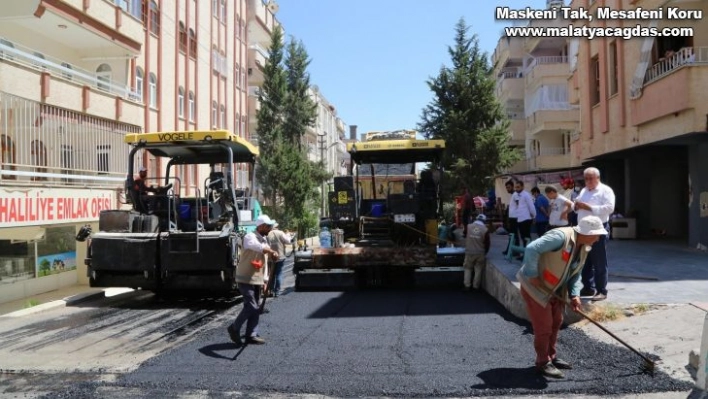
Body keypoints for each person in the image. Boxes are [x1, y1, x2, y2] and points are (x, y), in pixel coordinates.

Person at [517, 216, 608, 379]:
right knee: (544, 326)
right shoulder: (560, 237)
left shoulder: (584, 246)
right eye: (596, 235)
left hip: (556, 290)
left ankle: (551, 356)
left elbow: (576, 273)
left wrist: (574, 294)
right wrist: (532, 273)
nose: (598, 239)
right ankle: (542, 362)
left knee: (556, 321)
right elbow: (531, 248)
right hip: (536, 287)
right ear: (587, 233)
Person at [227, 214, 279, 346]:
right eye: (268, 226)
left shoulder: (264, 240)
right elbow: (257, 247)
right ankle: (234, 328)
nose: (270, 228)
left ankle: (252, 334)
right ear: (261, 226)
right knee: (251, 306)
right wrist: (271, 251)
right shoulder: (250, 237)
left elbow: (265, 261)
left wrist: (266, 279)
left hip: (257, 279)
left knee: (256, 308)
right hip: (245, 278)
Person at [573, 167, 615, 302]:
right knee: (585, 260)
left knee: (599, 261)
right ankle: (587, 287)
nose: (588, 181)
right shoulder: (584, 190)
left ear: (598, 178)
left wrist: (589, 207)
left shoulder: (605, 191)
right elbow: (578, 206)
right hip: (583, 230)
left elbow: (609, 208)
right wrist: (576, 206)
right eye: (586, 179)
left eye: (591, 178)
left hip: (598, 230)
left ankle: (601, 290)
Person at [463, 214, 490, 291]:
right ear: (484, 221)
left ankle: (467, 286)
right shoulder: (485, 230)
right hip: (480, 253)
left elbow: (464, 234)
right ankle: (476, 286)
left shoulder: (468, 226)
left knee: (468, 268)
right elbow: (487, 243)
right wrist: (485, 252)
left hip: (469, 252)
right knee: (478, 269)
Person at [267, 224, 293, 297]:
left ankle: (271, 291)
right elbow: (288, 241)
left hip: (270, 258)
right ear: (277, 227)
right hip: (280, 257)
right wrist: (288, 235)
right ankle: (277, 292)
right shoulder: (280, 233)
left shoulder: (268, 234)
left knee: (271, 275)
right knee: (279, 274)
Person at [512, 180, 536, 260]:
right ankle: (525, 254)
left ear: (522, 187)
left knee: (527, 237)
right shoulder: (516, 195)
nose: (516, 188)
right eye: (516, 187)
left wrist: (534, 216)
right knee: (523, 237)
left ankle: (529, 254)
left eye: (518, 187)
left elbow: (531, 206)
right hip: (520, 219)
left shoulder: (526, 195)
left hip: (526, 219)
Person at [502, 179, 518, 255]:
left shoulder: (515, 194)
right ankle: (512, 250)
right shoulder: (513, 195)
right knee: (513, 235)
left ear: (512, 187)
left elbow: (519, 205)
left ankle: (514, 251)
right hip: (512, 218)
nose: (507, 189)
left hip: (515, 218)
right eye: (506, 188)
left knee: (514, 235)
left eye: (508, 187)